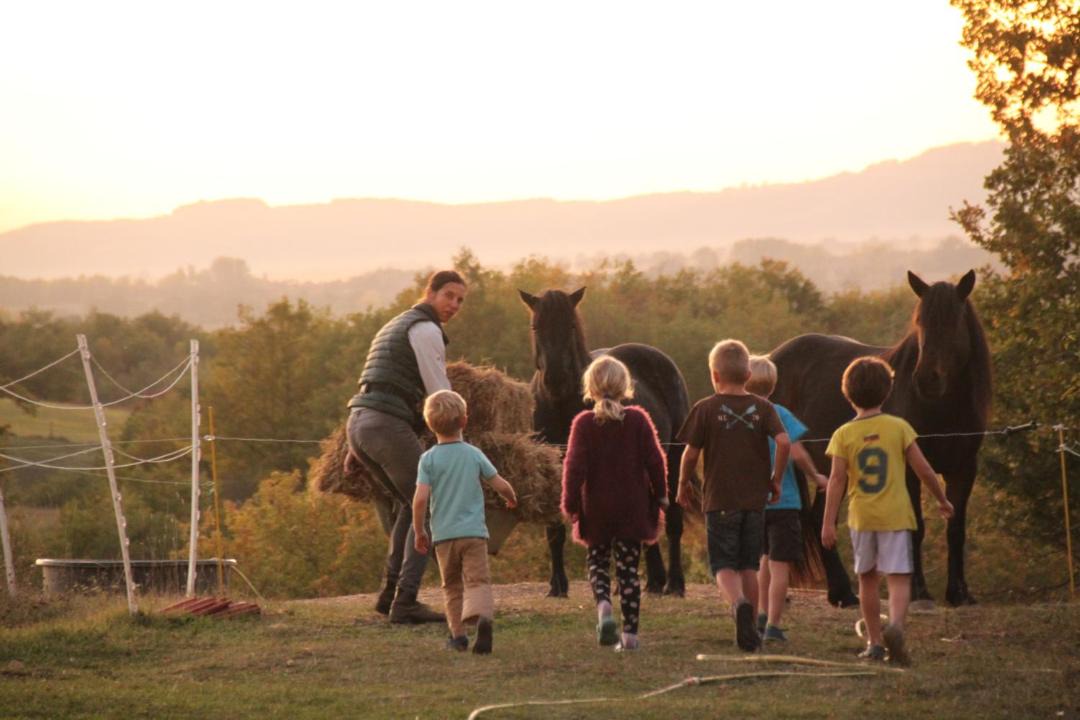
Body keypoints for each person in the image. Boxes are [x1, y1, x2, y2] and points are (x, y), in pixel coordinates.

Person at [343, 270, 467, 624]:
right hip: (385, 426)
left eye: (460, 300)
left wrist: (353, 447)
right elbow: (440, 393)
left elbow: (376, 383)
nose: (454, 305)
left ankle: (389, 596)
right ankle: (406, 601)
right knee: (428, 504)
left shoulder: (395, 325)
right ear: (430, 292)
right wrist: (459, 443)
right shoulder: (426, 330)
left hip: (359, 424)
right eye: (449, 295)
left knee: (408, 504)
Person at [821, 356, 954, 665]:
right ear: (888, 391)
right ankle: (895, 626)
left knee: (867, 579)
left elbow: (836, 481)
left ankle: (874, 642)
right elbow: (923, 469)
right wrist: (942, 499)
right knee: (899, 576)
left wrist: (828, 522)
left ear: (847, 393)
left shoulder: (842, 434)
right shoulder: (899, 427)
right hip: (895, 514)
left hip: (862, 517)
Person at [676, 339, 790, 651]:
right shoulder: (764, 408)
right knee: (749, 566)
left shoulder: (705, 408)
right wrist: (776, 480)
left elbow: (690, 454)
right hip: (755, 502)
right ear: (748, 375)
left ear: (714, 375)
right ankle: (751, 629)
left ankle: (738, 603)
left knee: (724, 566)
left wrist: (683, 483)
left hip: (720, 501)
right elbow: (783, 442)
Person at [561, 356, 668, 651]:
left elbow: (574, 467)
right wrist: (661, 494)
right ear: (625, 386)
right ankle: (630, 637)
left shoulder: (584, 424)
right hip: (633, 508)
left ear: (590, 387)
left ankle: (604, 605)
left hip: (596, 508)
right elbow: (656, 461)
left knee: (597, 562)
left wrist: (570, 503)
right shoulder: (638, 420)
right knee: (629, 570)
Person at [412, 390, 517, 654]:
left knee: (451, 586)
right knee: (478, 581)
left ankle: (458, 637)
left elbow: (420, 500)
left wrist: (419, 530)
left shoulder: (428, 459)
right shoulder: (473, 454)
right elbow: (499, 483)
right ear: (464, 421)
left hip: (443, 536)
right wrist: (511, 497)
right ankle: (483, 619)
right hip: (474, 534)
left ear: (430, 424)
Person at [746, 355, 828, 643]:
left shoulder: (741, 417)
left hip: (753, 504)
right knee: (780, 567)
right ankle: (774, 624)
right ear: (773, 385)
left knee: (762, 560)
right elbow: (796, 452)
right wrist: (816, 476)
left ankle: (760, 614)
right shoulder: (779, 413)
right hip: (785, 502)